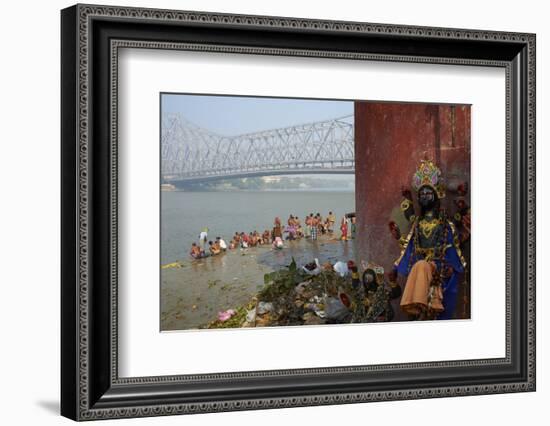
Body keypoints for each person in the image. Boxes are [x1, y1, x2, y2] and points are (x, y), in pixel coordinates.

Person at [392, 160, 466, 320]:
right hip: (420, 270)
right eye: (422, 194)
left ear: (436, 195)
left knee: (438, 311)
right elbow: (409, 247)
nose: (425, 196)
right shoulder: (418, 223)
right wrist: (397, 267)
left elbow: (452, 247)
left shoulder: (445, 223)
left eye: (428, 193)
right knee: (420, 308)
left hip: (439, 268)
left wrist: (453, 267)